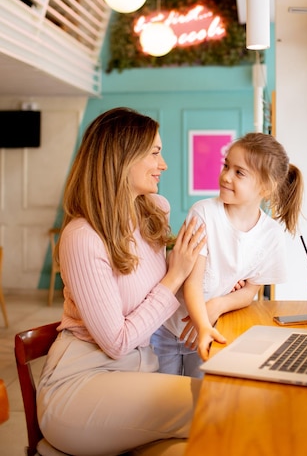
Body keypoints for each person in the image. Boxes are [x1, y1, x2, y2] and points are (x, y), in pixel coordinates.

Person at [37, 107, 206, 456]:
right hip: (80, 385)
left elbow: (156, 283)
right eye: (155, 153)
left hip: (138, 374)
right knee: (214, 405)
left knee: (203, 445)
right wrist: (175, 275)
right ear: (121, 156)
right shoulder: (82, 237)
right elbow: (117, 342)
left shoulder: (153, 212)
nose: (164, 165)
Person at [151, 132, 304, 377]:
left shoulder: (271, 235)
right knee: (162, 399)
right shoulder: (203, 213)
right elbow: (192, 282)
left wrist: (216, 306)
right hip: (168, 327)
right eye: (226, 166)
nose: (226, 176)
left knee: (198, 398)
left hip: (210, 328)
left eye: (239, 172)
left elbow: (249, 292)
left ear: (265, 187)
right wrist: (202, 323)